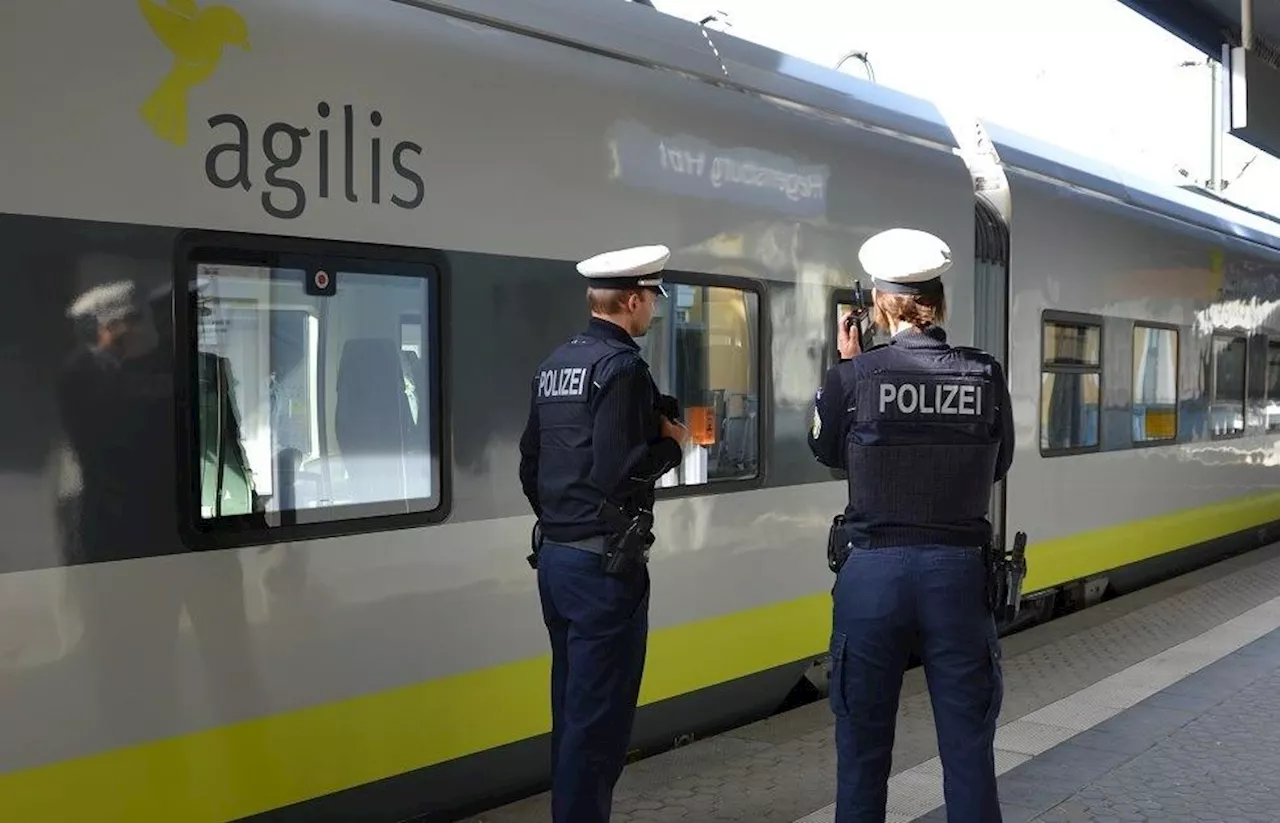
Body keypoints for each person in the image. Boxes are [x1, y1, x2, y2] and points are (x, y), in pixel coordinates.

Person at [807, 228, 1015, 823]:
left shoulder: (852, 377)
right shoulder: (983, 374)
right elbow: (999, 463)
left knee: (862, 757)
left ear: (878, 306)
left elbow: (829, 452)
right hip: (957, 578)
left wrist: (848, 368)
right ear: (938, 302)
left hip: (872, 576)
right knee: (969, 754)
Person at [518, 244, 692, 823]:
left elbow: (530, 465)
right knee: (600, 726)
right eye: (652, 302)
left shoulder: (555, 365)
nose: (653, 314)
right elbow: (621, 471)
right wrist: (673, 443)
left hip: (558, 561)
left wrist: (566, 518)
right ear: (635, 300)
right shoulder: (621, 369)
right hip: (603, 572)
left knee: (572, 713)